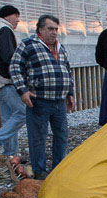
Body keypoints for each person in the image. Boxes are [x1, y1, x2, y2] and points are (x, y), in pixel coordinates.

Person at [10, 15, 75, 179]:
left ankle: (58, 168)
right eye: (50, 29)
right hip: (39, 101)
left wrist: (70, 93)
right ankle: (39, 171)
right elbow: (14, 67)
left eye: (56, 29)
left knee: (61, 135)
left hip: (59, 102)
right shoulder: (29, 45)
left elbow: (68, 71)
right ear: (40, 29)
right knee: (38, 137)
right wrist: (23, 91)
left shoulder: (60, 48)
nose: (54, 33)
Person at [0, 5, 27, 158]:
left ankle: (10, 155)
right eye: (16, 16)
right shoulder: (4, 29)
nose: (18, 20)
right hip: (4, 81)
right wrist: (20, 76)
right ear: (7, 16)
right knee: (23, 112)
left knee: (9, 120)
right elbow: (9, 58)